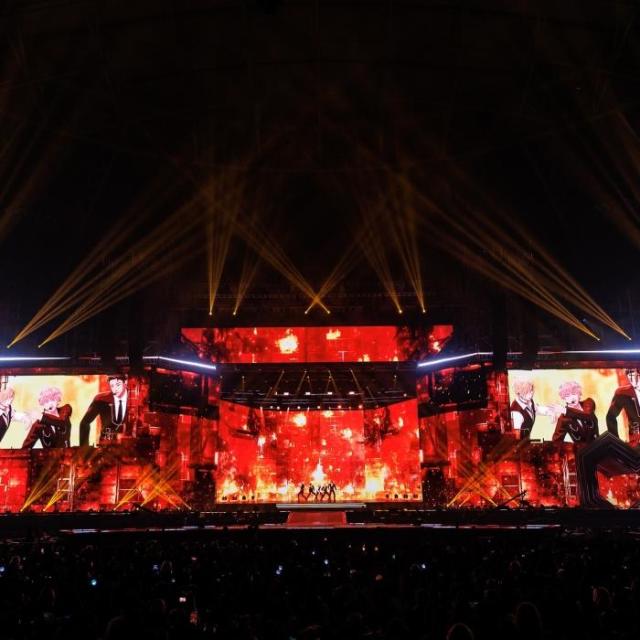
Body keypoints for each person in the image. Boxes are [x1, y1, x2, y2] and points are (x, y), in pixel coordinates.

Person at [79, 375, 132, 446]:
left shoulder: (131, 399)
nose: (115, 388)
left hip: (127, 444)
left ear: (125, 383)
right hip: (107, 442)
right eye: (112, 385)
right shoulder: (101, 399)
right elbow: (84, 423)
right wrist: (84, 447)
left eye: (118, 384)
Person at [606, 368, 640, 444]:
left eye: (634, 375)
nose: (631, 379)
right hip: (636, 441)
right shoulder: (623, 393)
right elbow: (610, 416)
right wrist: (615, 441)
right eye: (629, 375)